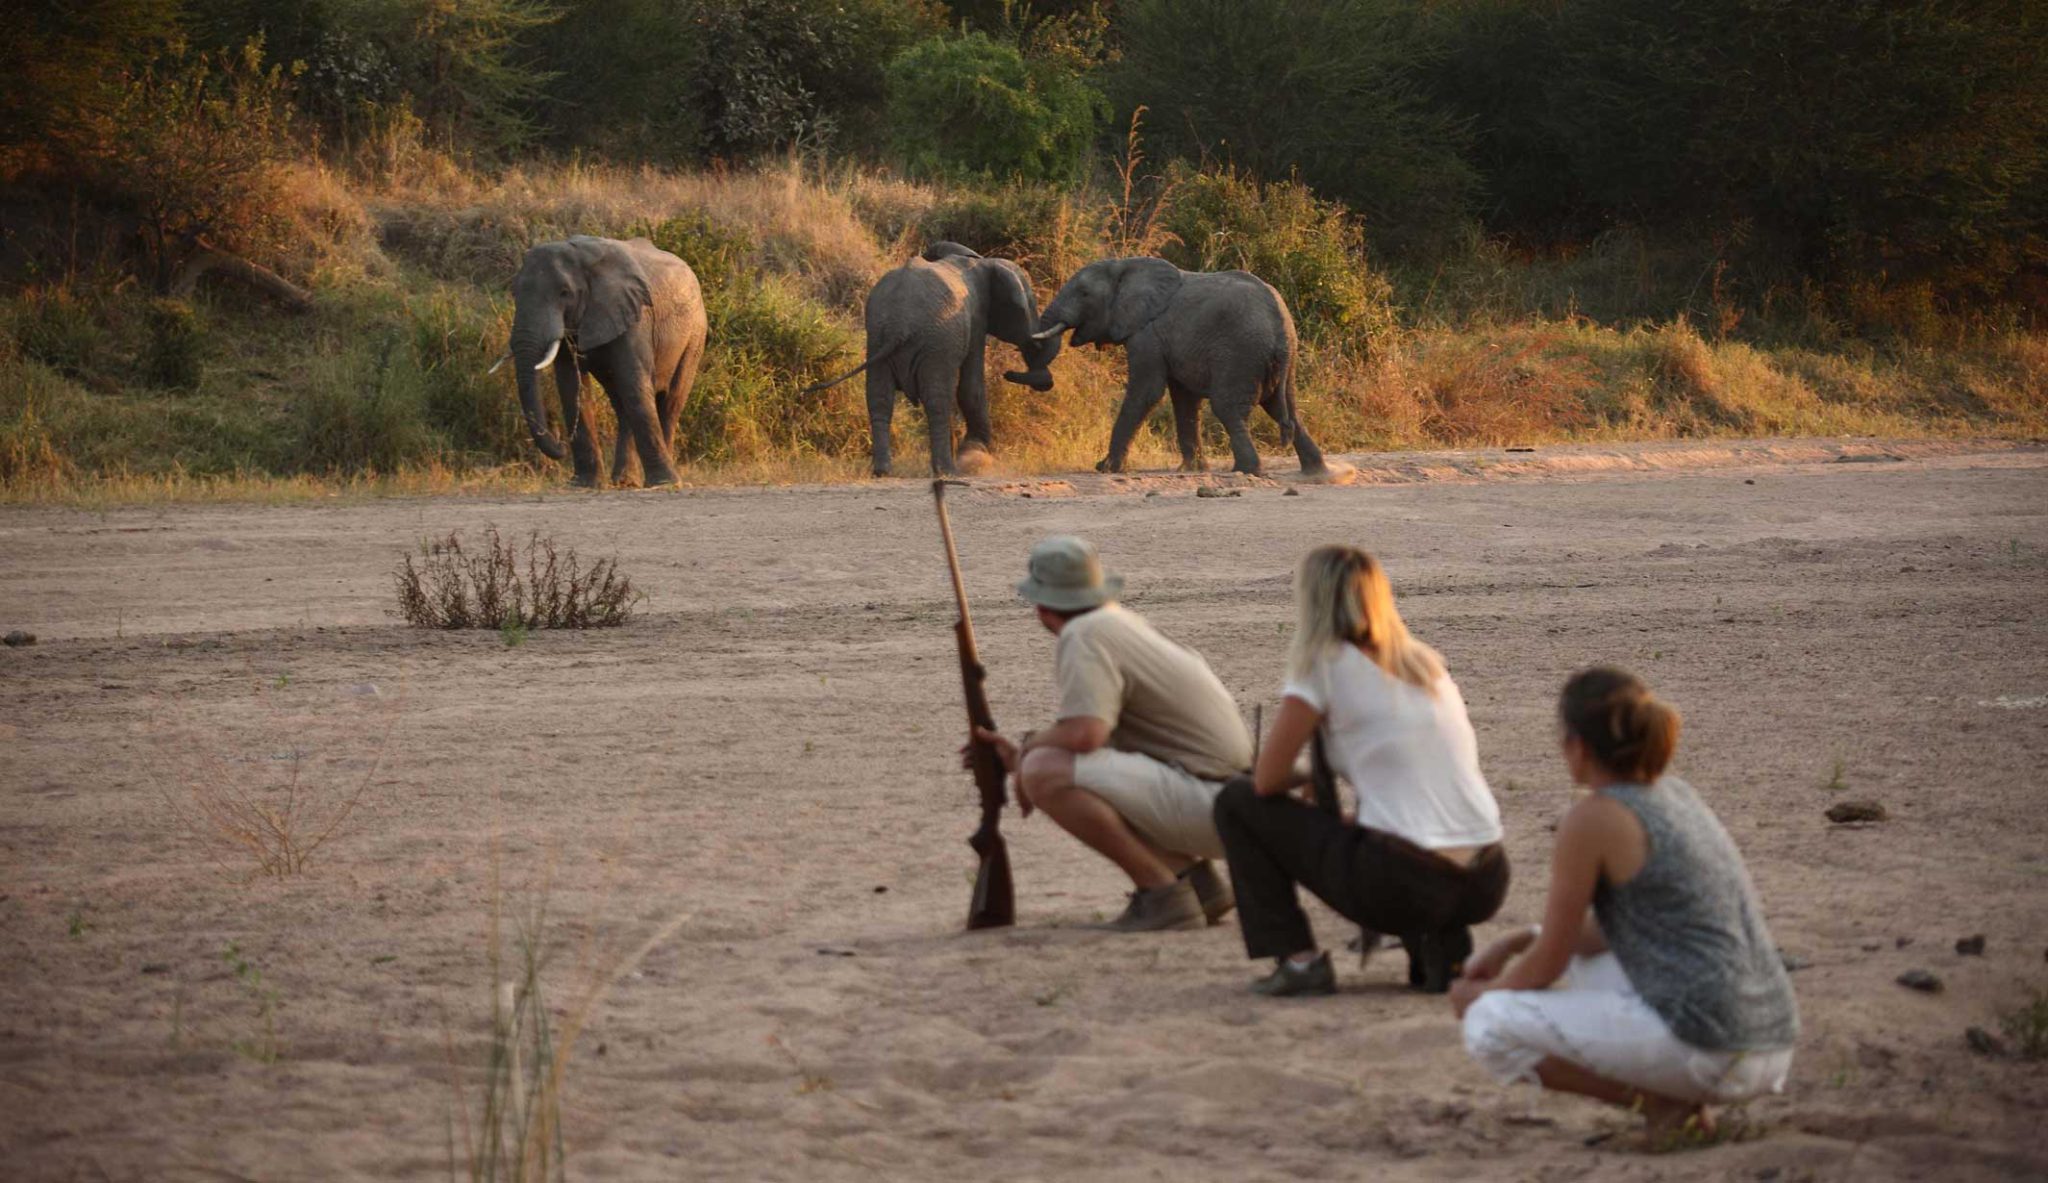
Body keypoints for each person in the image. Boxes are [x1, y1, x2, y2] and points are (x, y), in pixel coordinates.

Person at [1451, 668, 1799, 1141]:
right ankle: (1675, 1098)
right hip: (1770, 1039)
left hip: (1714, 1049)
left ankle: (1663, 1106)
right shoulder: (1676, 796)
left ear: (1576, 745)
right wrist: (1516, 940)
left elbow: (1550, 961)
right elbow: (1608, 932)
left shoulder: (1592, 817)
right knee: (1588, 963)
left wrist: (1485, 996)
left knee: (1488, 1026)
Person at [1213, 545, 1508, 997]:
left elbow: (1266, 781)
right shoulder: (1425, 664)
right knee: (1385, 835)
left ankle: (1298, 961)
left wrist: (1304, 773)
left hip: (1408, 884)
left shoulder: (1324, 666)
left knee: (1237, 801)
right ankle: (1443, 946)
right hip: (1486, 878)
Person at [968, 535, 1253, 932]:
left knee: (1045, 771)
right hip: (1230, 804)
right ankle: (1195, 882)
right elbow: (1106, 745)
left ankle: (1163, 895)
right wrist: (1021, 755)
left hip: (1215, 806)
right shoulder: (1120, 622)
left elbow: (1087, 735)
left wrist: (1030, 753)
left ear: (1043, 606)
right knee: (1046, 764)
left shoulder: (1084, 634)